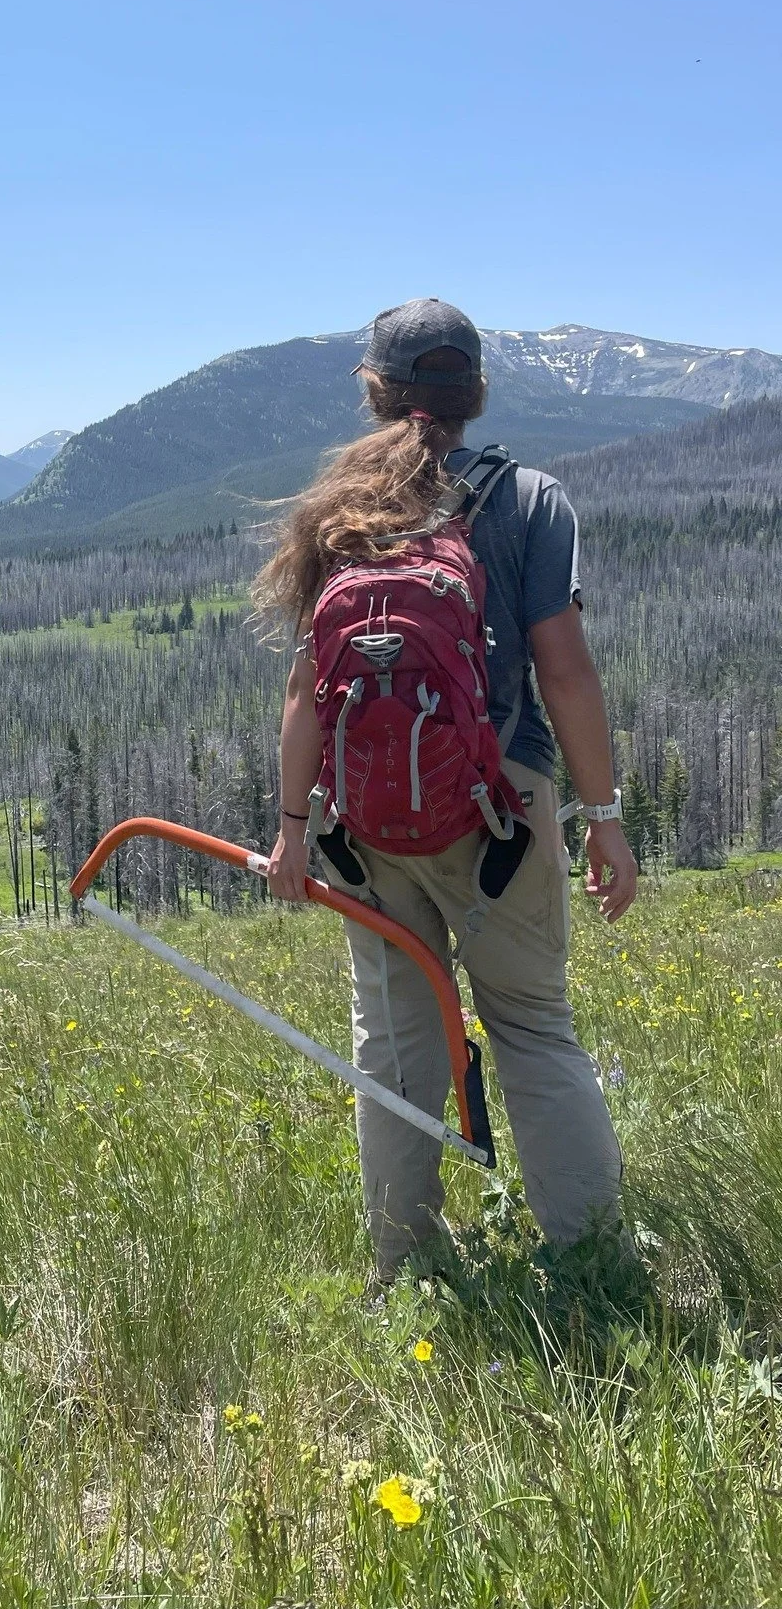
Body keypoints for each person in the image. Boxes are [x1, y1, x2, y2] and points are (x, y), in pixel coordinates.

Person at [257, 298, 638, 1281]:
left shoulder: (341, 515)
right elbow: (565, 673)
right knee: (532, 1028)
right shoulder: (532, 499)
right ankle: (591, 1264)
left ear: (375, 393)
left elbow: (308, 688)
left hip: (367, 822)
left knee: (392, 1046)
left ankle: (407, 1273)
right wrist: (604, 820)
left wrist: (294, 831)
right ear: (473, 393)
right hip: (503, 811)